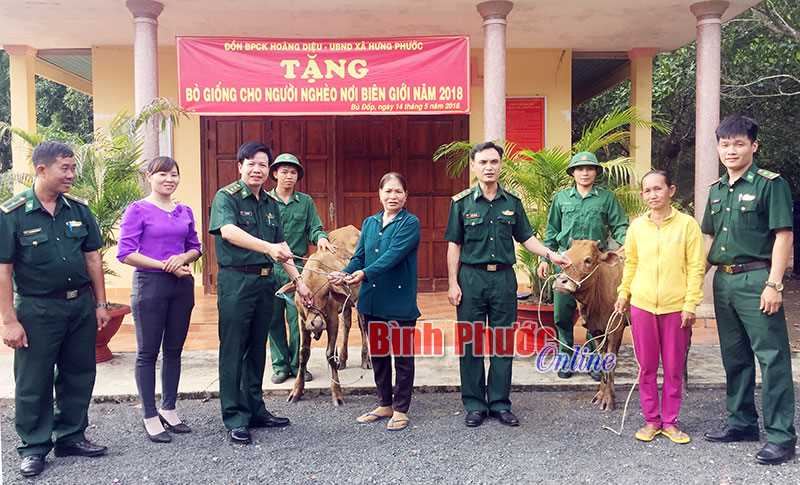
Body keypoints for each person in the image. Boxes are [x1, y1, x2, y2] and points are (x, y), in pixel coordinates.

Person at [0, 141, 111, 478]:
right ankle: (34, 446)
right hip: (37, 308)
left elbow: (93, 258)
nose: (72, 175)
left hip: (79, 305)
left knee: (79, 373)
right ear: (41, 169)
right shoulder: (13, 213)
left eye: (73, 168)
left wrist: (101, 303)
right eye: (65, 168)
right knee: (33, 380)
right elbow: (3, 268)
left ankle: (71, 435)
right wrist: (8, 320)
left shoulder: (78, 210)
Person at [444, 141, 570, 428]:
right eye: (483, 163)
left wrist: (551, 254)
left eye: (494, 162)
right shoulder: (461, 203)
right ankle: (475, 404)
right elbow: (454, 245)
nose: (489, 167)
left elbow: (526, 237)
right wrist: (453, 283)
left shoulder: (512, 203)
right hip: (471, 279)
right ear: (474, 167)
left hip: (503, 279)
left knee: (502, 343)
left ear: (500, 166)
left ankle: (500, 403)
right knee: (471, 343)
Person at [701, 115, 796, 465]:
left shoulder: (771, 185)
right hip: (723, 280)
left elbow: (783, 236)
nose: (731, 150)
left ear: (754, 146)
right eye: (725, 144)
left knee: (771, 359)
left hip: (757, 279)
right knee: (735, 357)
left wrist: (774, 283)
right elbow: (709, 238)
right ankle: (741, 422)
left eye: (739, 143)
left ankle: (782, 436)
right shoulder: (716, 189)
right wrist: (696, 280)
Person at [208, 141, 313, 445]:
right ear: (239, 166)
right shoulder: (226, 197)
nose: (257, 169)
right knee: (234, 350)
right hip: (236, 283)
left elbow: (283, 248)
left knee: (256, 349)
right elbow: (228, 232)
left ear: (269, 170)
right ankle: (235, 416)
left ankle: (255, 409)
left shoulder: (269, 204)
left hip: (265, 283)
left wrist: (300, 282)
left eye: (262, 165)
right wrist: (267, 248)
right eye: (251, 163)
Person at [614, 169, 705, 444]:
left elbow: (696, 267)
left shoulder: (687, 225)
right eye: (648, 190)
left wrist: (690, 303)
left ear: (671, 190)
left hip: (676, 307)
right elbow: (631, 263)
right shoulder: (636, 227)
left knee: (674, 367)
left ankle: (670, 421)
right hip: (641, 306)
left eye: (658, 189)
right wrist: (623, 292)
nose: (653, 195)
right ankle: (652, 420)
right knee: (647, 367)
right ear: (642, 195)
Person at [117, 156, 202, 443]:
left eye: (174, 174)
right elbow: (125, 253)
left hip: (181, 285)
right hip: (150, 285)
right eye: (162, 174)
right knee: (147, 352)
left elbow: (195, 247)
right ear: (149, 176)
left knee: (174, 350)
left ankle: (169, 407)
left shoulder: (184, 210)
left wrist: (183, 258)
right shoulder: (138, 210)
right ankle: (150, 414)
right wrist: (164, 264)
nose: (169, 179)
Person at [330, 172, 421, 431]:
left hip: (400, 301)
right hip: (372, 300)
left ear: (406, 195)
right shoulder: (369, 223)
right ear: (379, 194)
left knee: (402, 356)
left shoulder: (410, 223)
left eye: (398, 192)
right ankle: (385, 403)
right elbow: (360, 256)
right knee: (379, 354)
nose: (392, 196)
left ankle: (401, 408)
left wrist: (364, 273)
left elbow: (393, 255)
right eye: (388, 191)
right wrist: (346, 272)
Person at [539, 151, 628, 380]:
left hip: (593, 269)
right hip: (566, 265)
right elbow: (551, 232)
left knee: (595, 316)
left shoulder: (606, 198)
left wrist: (622, 246)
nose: (585, 172)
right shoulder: (561, 198)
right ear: (573, 173)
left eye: (590, 168)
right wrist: (544, 258)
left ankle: (593, 360)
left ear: (596, 172)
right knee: (562, 312)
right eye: (580, 169)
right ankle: (566, 357)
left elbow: (620, 226)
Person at [267, 153, 334, 385]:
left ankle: (298, 365)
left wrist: (322, 238)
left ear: (298, 177)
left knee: (297, 318)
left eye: (293, 172)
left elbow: (315, 227)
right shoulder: (264, 201)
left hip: (297, 271)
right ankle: (280, 365)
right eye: (284, 171)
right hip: (268, 269)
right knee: (273, 319)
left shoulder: (305, 202)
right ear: (274, 173)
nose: (288, 176)